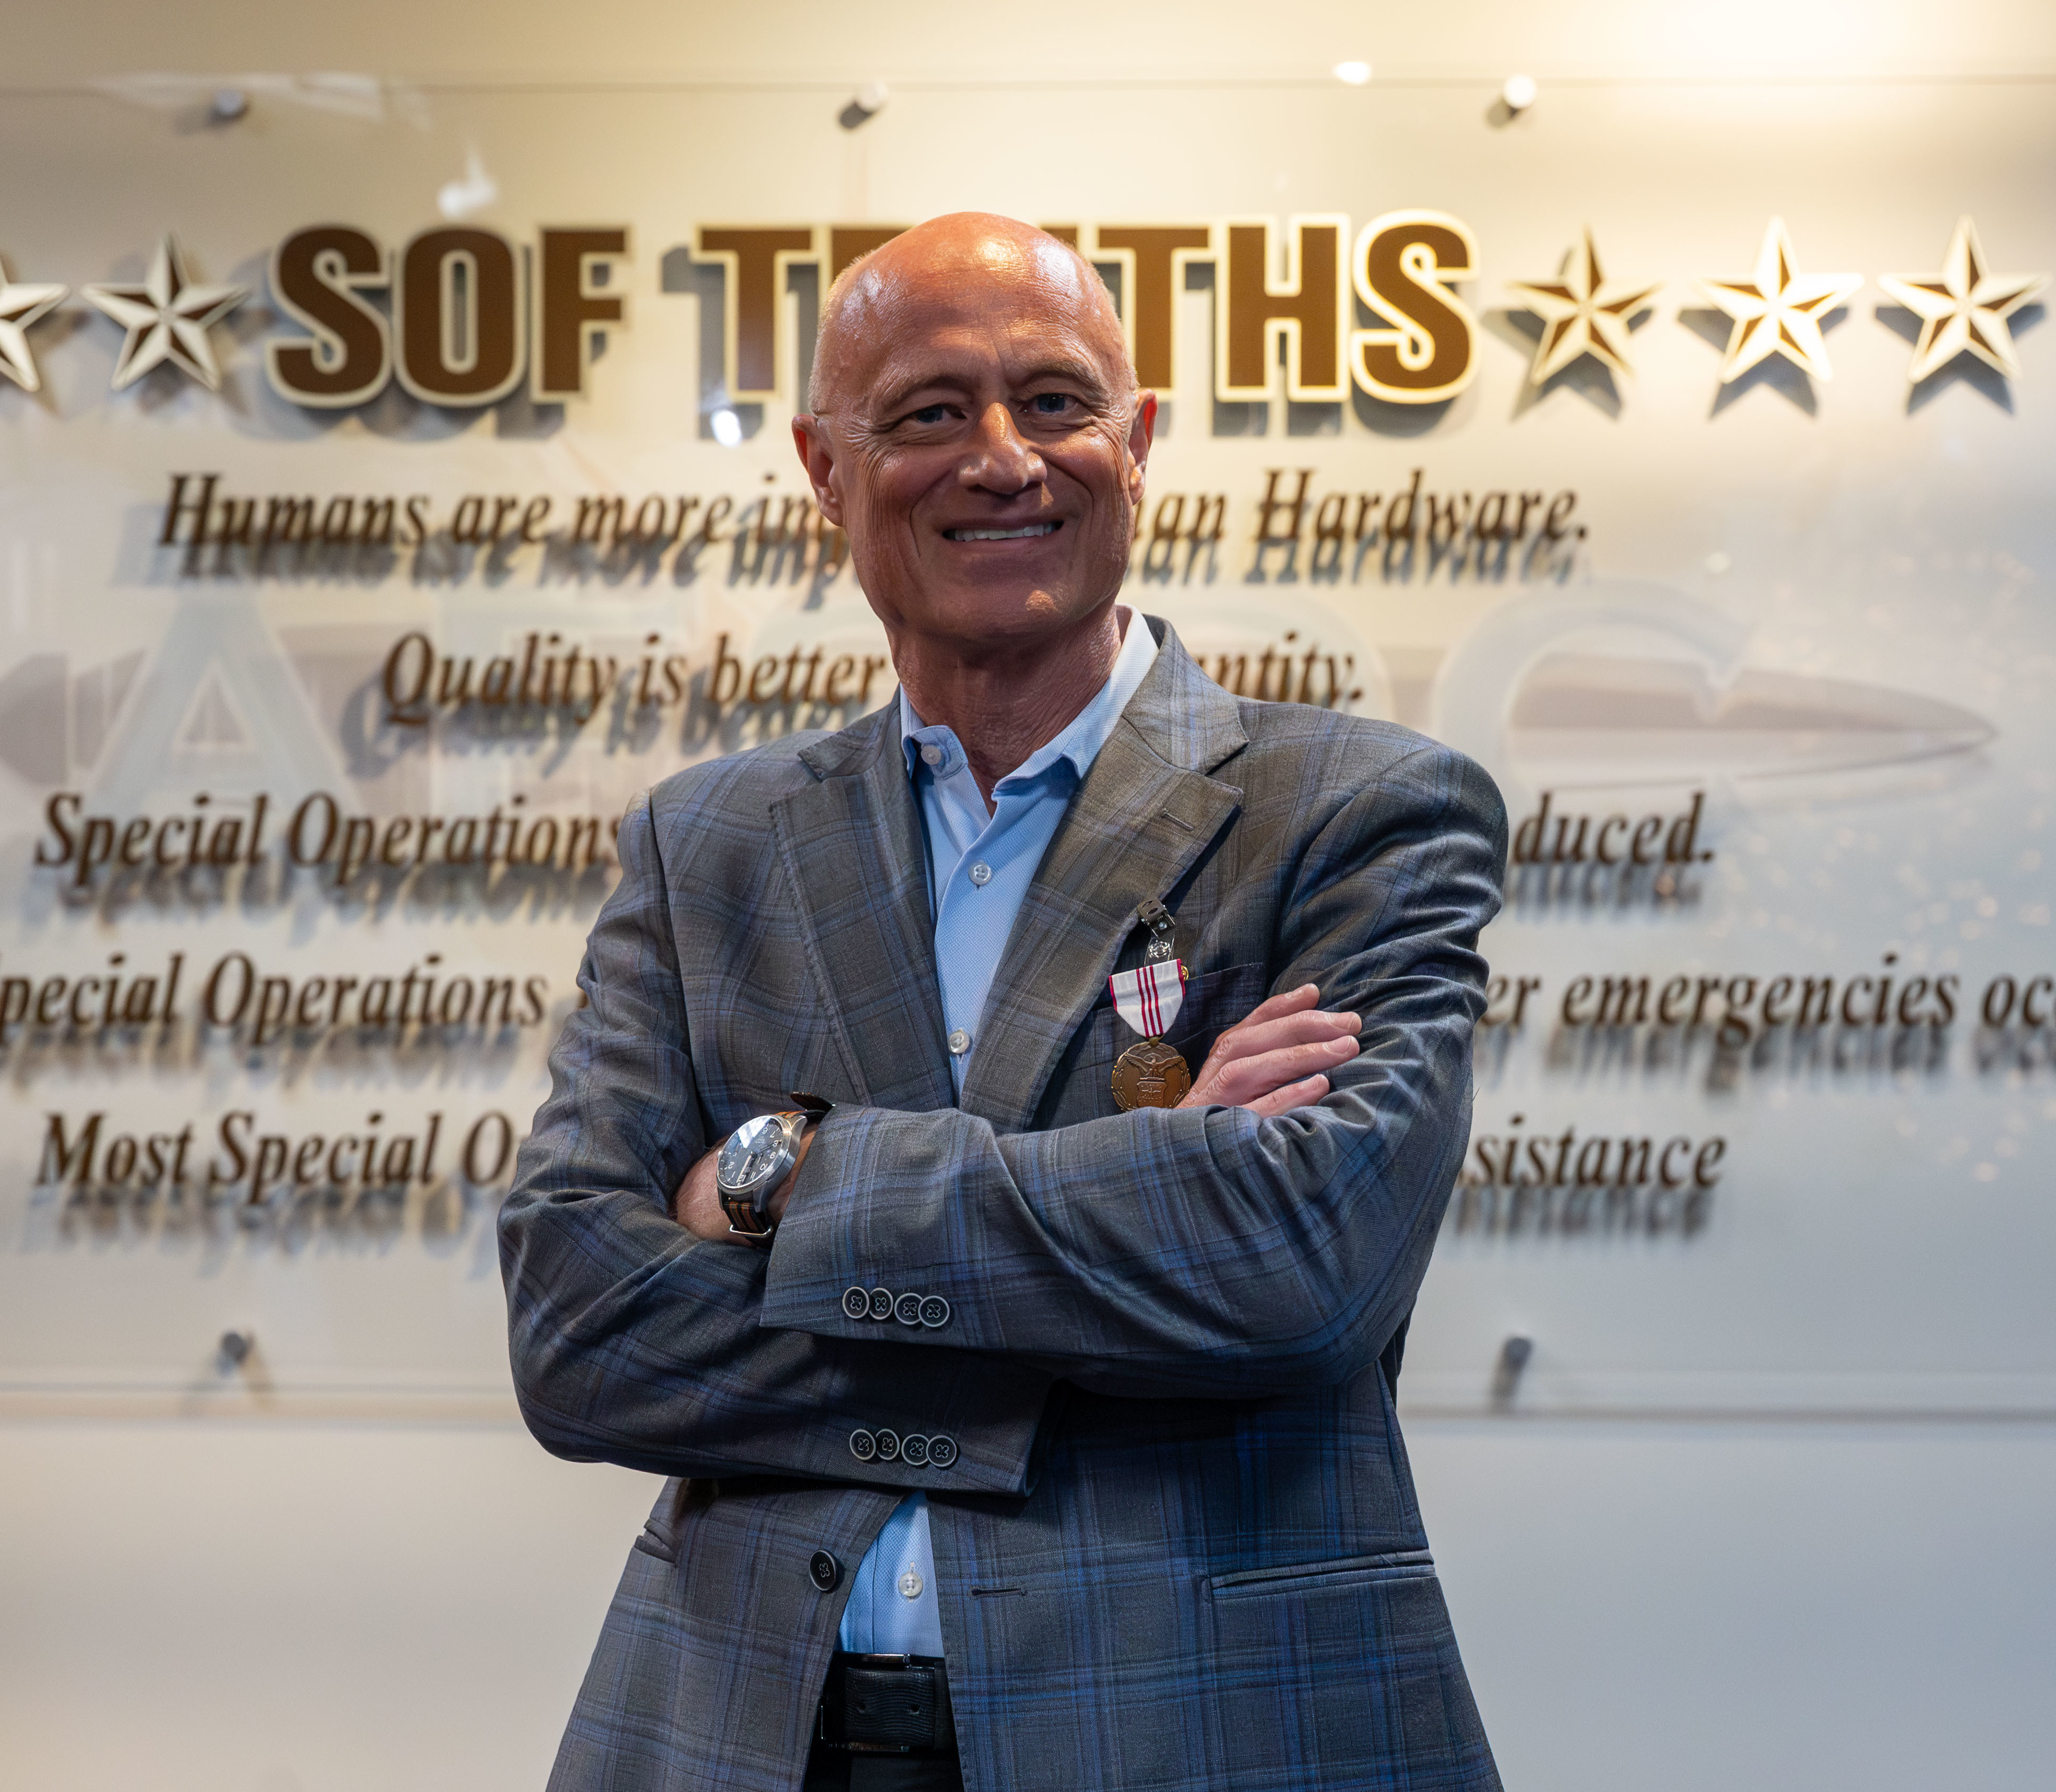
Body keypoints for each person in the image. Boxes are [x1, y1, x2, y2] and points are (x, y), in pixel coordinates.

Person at [500, 212, 1506, 1792]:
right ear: (823, 469)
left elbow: (1298, 1267)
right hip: (743, 1738)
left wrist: (789, 1175)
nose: (1002, 459)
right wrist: (1148, 1207)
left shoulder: (1359, 812)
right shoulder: (709, 844)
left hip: (1203, 1736)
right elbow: (581, 1330)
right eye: (926, 412)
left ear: (1139, 440)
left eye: (1053, 402)